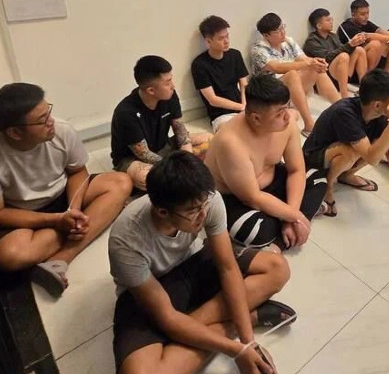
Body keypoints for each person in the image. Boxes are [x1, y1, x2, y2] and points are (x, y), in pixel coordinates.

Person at [109, 151, 295, 374]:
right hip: (151, 288)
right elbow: (166, 316)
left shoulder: (205, 199)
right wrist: (235, 349)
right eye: (193, 211)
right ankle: (241, 319)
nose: (203, 214)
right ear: (162, 212)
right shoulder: (126, 240)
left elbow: (227, 268)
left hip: (193, 263)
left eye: (204, 205)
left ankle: (188, 331)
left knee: (277, 268)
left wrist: (248, 341)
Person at [0, 83, 132, 297]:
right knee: (8, 255)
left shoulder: (62, 130)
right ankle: (98, 217)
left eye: (48, 111)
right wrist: (56, 221)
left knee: (121, 183)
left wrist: (72, 210)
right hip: (22, 213)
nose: (51, 122)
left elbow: (78, 172)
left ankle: (61, 258)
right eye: (42, 120)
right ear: (14, 132)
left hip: (64, 194)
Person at [205, 74, 327, 250]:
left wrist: (291, 217)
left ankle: (285, 231)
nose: (287, 116)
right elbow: (252, 198)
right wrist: (296, 216)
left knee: (318, 179)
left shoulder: (287, 125)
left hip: (270, 183)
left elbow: (296, 170)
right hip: (236, 198)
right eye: (279, 113)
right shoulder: (231, 142)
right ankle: (292, 227)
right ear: (256, 118)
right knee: (254, 231)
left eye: (286, 108)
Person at [301, 70, 389, 216]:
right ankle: (328, 186)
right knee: (352, 151)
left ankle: (346, 175)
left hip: (337, 157)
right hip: (313, 158)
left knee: (376, 146)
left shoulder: (380, 117)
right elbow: (372, 158)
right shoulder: (345, 112)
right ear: (377, 105)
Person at [111, 55, 212, 190]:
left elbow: (180, 131)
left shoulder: (169, 95)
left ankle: (181, 179)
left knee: (209, 139)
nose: (173, 86)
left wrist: (187, 159)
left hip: (163, 147)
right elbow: (144, 154)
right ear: (151, 90)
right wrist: (178, 165)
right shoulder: (126, 113)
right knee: (145, 176)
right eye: (168, 82)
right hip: (133, 158)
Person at [250, 12, 341, 136]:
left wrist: (316, 62)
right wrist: (308, 64)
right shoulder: (258, 49)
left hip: (293, 90)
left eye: (283, 27)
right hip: (271, 93)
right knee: (292, 74)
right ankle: (309, 125)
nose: (283, 32)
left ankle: (341, 106)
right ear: (266, 35)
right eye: (278, 31)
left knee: (316, 68)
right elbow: (277, 68)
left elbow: (304, 59)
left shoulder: (288, 42)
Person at [192, 16, 250, 132]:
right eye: (221, 38)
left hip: (244, 105)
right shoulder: (199, 64)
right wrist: (241, 107)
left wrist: (245, 105)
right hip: (221, 114)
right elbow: (212, 99)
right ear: (208, 41)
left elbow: (244, 85)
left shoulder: (235, 55)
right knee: (233, 133)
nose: (226, 41)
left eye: (227, 36)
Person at [303, 8, 368, 98]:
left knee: (359, 50)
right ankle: (344, 96)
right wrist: (349, 44)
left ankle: (364, 89)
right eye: (328, 20)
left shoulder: (333, 36)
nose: (331, 22)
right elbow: (327, 57)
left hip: (339, 72)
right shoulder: (312, 41)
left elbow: (342, 48)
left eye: (331, 19)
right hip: (325, 76)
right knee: (343, 56)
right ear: (319, 25)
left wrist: (354, 43)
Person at [338, 0, 389, 72]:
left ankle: (387, 71)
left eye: (367, 13)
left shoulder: (366, 23)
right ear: (353, 15)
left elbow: (380, 31)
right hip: (353, 59)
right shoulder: (347, 26)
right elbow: (369, 36)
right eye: (362, 14)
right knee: (375, 44)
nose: (366, 16)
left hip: (368, 56)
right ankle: (369, 75)